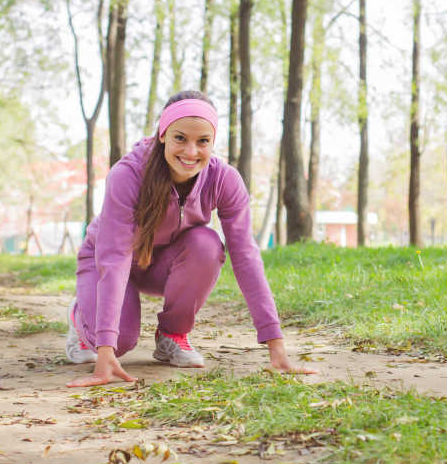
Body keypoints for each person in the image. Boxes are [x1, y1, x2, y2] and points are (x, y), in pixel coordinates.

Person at [65, 90, 316, 388]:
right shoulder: (128, 174)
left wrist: (276, 345)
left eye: (203, 141)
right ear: (163, 135)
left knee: (206, 243)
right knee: (118, 344)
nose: (191, 151)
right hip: (108, 261)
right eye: (180, 138)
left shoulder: (224, 179)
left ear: (213, 141)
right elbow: (114, 257)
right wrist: (105, 347)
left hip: (163, 263)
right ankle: (81, 317)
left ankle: (172, 335)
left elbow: (246, 256)